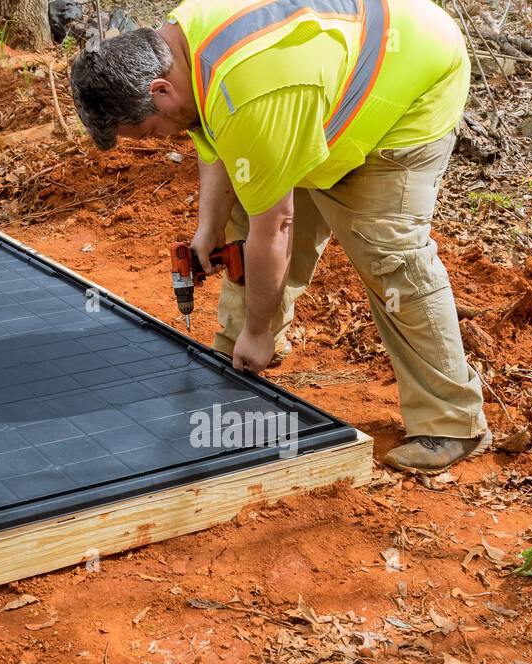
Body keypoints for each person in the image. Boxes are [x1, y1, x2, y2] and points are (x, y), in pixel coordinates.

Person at [68, 0, 490, 473]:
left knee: (388, 254)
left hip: (406, 84)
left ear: (161, 89)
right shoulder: (179, 46)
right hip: (310, 89)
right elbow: (220, 137)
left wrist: (256, 328)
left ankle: (452, 422)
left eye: (149, 130)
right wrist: (208, 227)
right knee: (246, 219)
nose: (161, 139)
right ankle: (245, 349)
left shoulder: (250, 88)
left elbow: (277, 224)